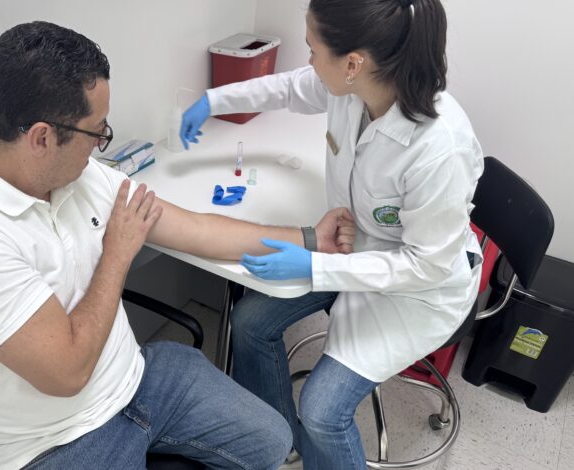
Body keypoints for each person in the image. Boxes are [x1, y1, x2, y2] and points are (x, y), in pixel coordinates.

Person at [0, 21, 356, 470]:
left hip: (137, 379)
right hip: (57, 442)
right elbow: (68, 372)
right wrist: (117, 253)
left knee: (272, 441)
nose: (100, 145)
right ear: (42, 138)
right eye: (95, 132)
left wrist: (309, 238)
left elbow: (195, 229)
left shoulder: (77, 175)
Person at [180, 0, 484, 469]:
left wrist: (315, 266)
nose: (308, 61)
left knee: (322, 411)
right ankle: (280, 440)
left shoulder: (440, 148)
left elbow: (426, 265)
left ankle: (316, 440)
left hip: (420, 291)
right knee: (249, 323)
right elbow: (286, 88)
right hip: (352, 250)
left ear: (353, 63)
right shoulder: (351, 88)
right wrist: (213, 101)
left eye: (312, 48)